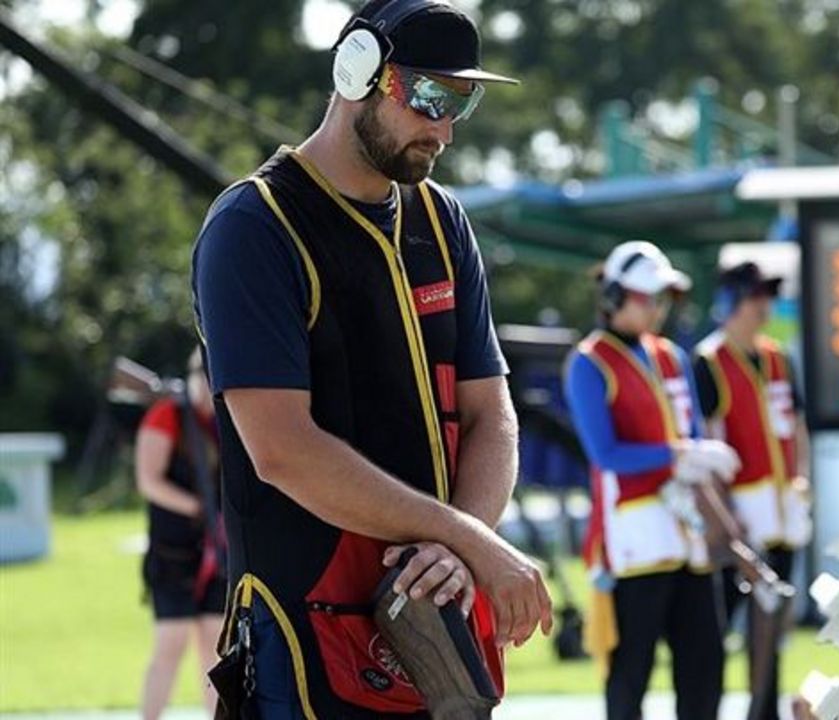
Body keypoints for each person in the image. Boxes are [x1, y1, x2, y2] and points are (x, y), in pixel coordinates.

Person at [191, 1, 552, 716]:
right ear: (358, 72)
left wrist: (458, 549)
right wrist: (464, 541)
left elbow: (492, 415)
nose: (443, 129)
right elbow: (284, 450)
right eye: (428, 98)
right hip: (304, 637)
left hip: (431, 626)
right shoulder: (254, 228)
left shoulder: (442, 221)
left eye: (462, 102)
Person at [564, 241, 740, 720]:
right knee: (630, 675)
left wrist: (726, 522)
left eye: (662, 298)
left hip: (690, 540)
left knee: (706, 665)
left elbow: (693, 441)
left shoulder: (670, 357)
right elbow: (606, 454)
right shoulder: (589, 362)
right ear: (616, 297)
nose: (657, 308)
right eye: (647, 297)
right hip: (634, 543)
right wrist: (678, 455)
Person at [694, 261, 812, 720]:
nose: (764, 305)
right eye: (755, 296)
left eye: (766, 295)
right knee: (720, 634)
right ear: (732, 302)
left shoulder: (780, 357)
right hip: (738, 520)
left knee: (775, 631)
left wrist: (803, 483)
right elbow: (706, 440)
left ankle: (762, 713)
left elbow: (797, 427)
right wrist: (725, 521)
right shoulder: (709, 361)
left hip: (783, 516)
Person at [136, 349, 224, 720]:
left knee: (214, 646)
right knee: (169, 646)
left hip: (218, 554)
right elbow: (148, 481)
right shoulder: (168, 414)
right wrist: (200, 509)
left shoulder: (227, 421)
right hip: (174, 552)